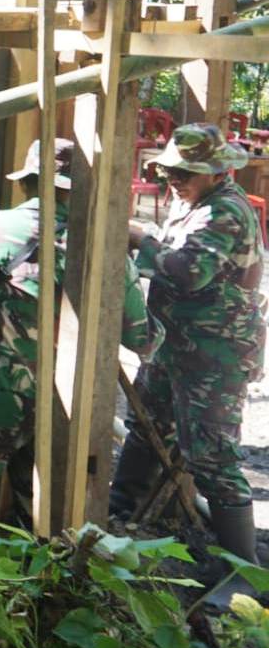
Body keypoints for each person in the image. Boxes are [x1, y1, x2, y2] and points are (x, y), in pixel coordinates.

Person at [0, 138, 155, 518]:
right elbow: (141, 338)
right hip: (67, 403)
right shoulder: (108, 249)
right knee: (48, 508)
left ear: (27, 183)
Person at [115, 123, 265, 609]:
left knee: (212, 456)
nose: (174, 180)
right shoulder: (192, 202)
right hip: (175, 344)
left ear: (217, 172)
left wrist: (139, 238)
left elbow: (189, 272)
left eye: (185, 173)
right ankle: (118, 517)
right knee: (146, 426)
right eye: (170, 171)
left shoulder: (225, 212)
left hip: (214, 356)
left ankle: (242, 572)